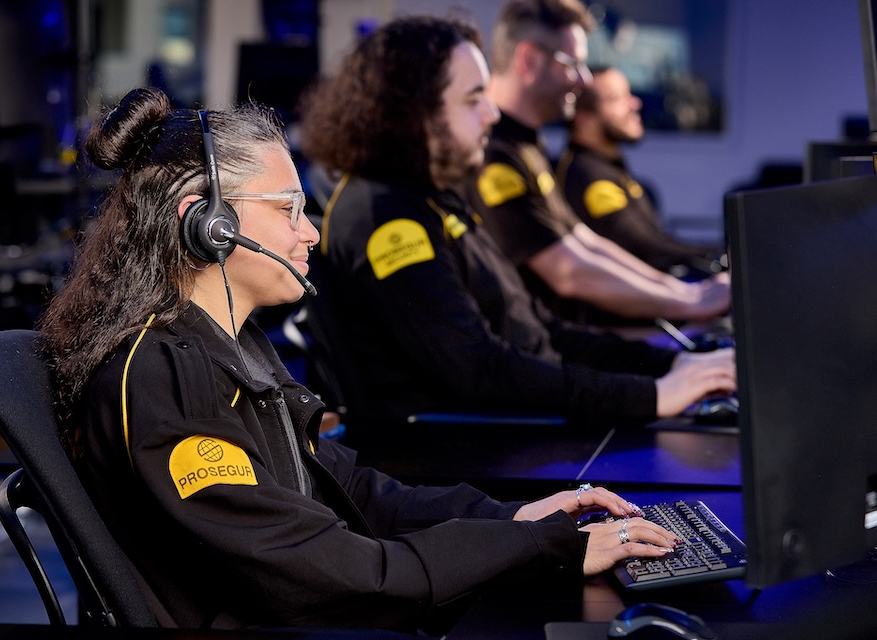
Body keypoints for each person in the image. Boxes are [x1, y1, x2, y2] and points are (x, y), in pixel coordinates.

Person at [37, 87, 682, 632]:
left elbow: (355, 493)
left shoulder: (229, 348)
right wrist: (539, 549)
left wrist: (513, 518)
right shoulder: (162, 383)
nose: (310, 231)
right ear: (206, 223)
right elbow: (330, 573)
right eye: (288, 210)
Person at [300, 17, 735, 438]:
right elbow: (479, 369)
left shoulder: (433, 196)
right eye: (473, 100)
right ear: (414, 114)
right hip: (464, 453)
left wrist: (669, 366)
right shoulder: (389, 221)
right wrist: (651, 395)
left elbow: (540, 328)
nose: (491, 114)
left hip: (515, 423)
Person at [467, 0, 730, 324]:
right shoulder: (494, 152)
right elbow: (567, 271)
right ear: (529, 60)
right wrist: (690, 303)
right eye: (573, 64)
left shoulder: (527, 144)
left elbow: (583, 242)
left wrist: (687, 293)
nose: (583, 80)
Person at [557, 66, 726, 276]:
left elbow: (656, 241)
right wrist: (722, 256)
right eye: (616, 98)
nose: (635, 103)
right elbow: (642, 248)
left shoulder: (607, 168)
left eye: (629, 94)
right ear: (585, 120)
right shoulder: (589, 177)